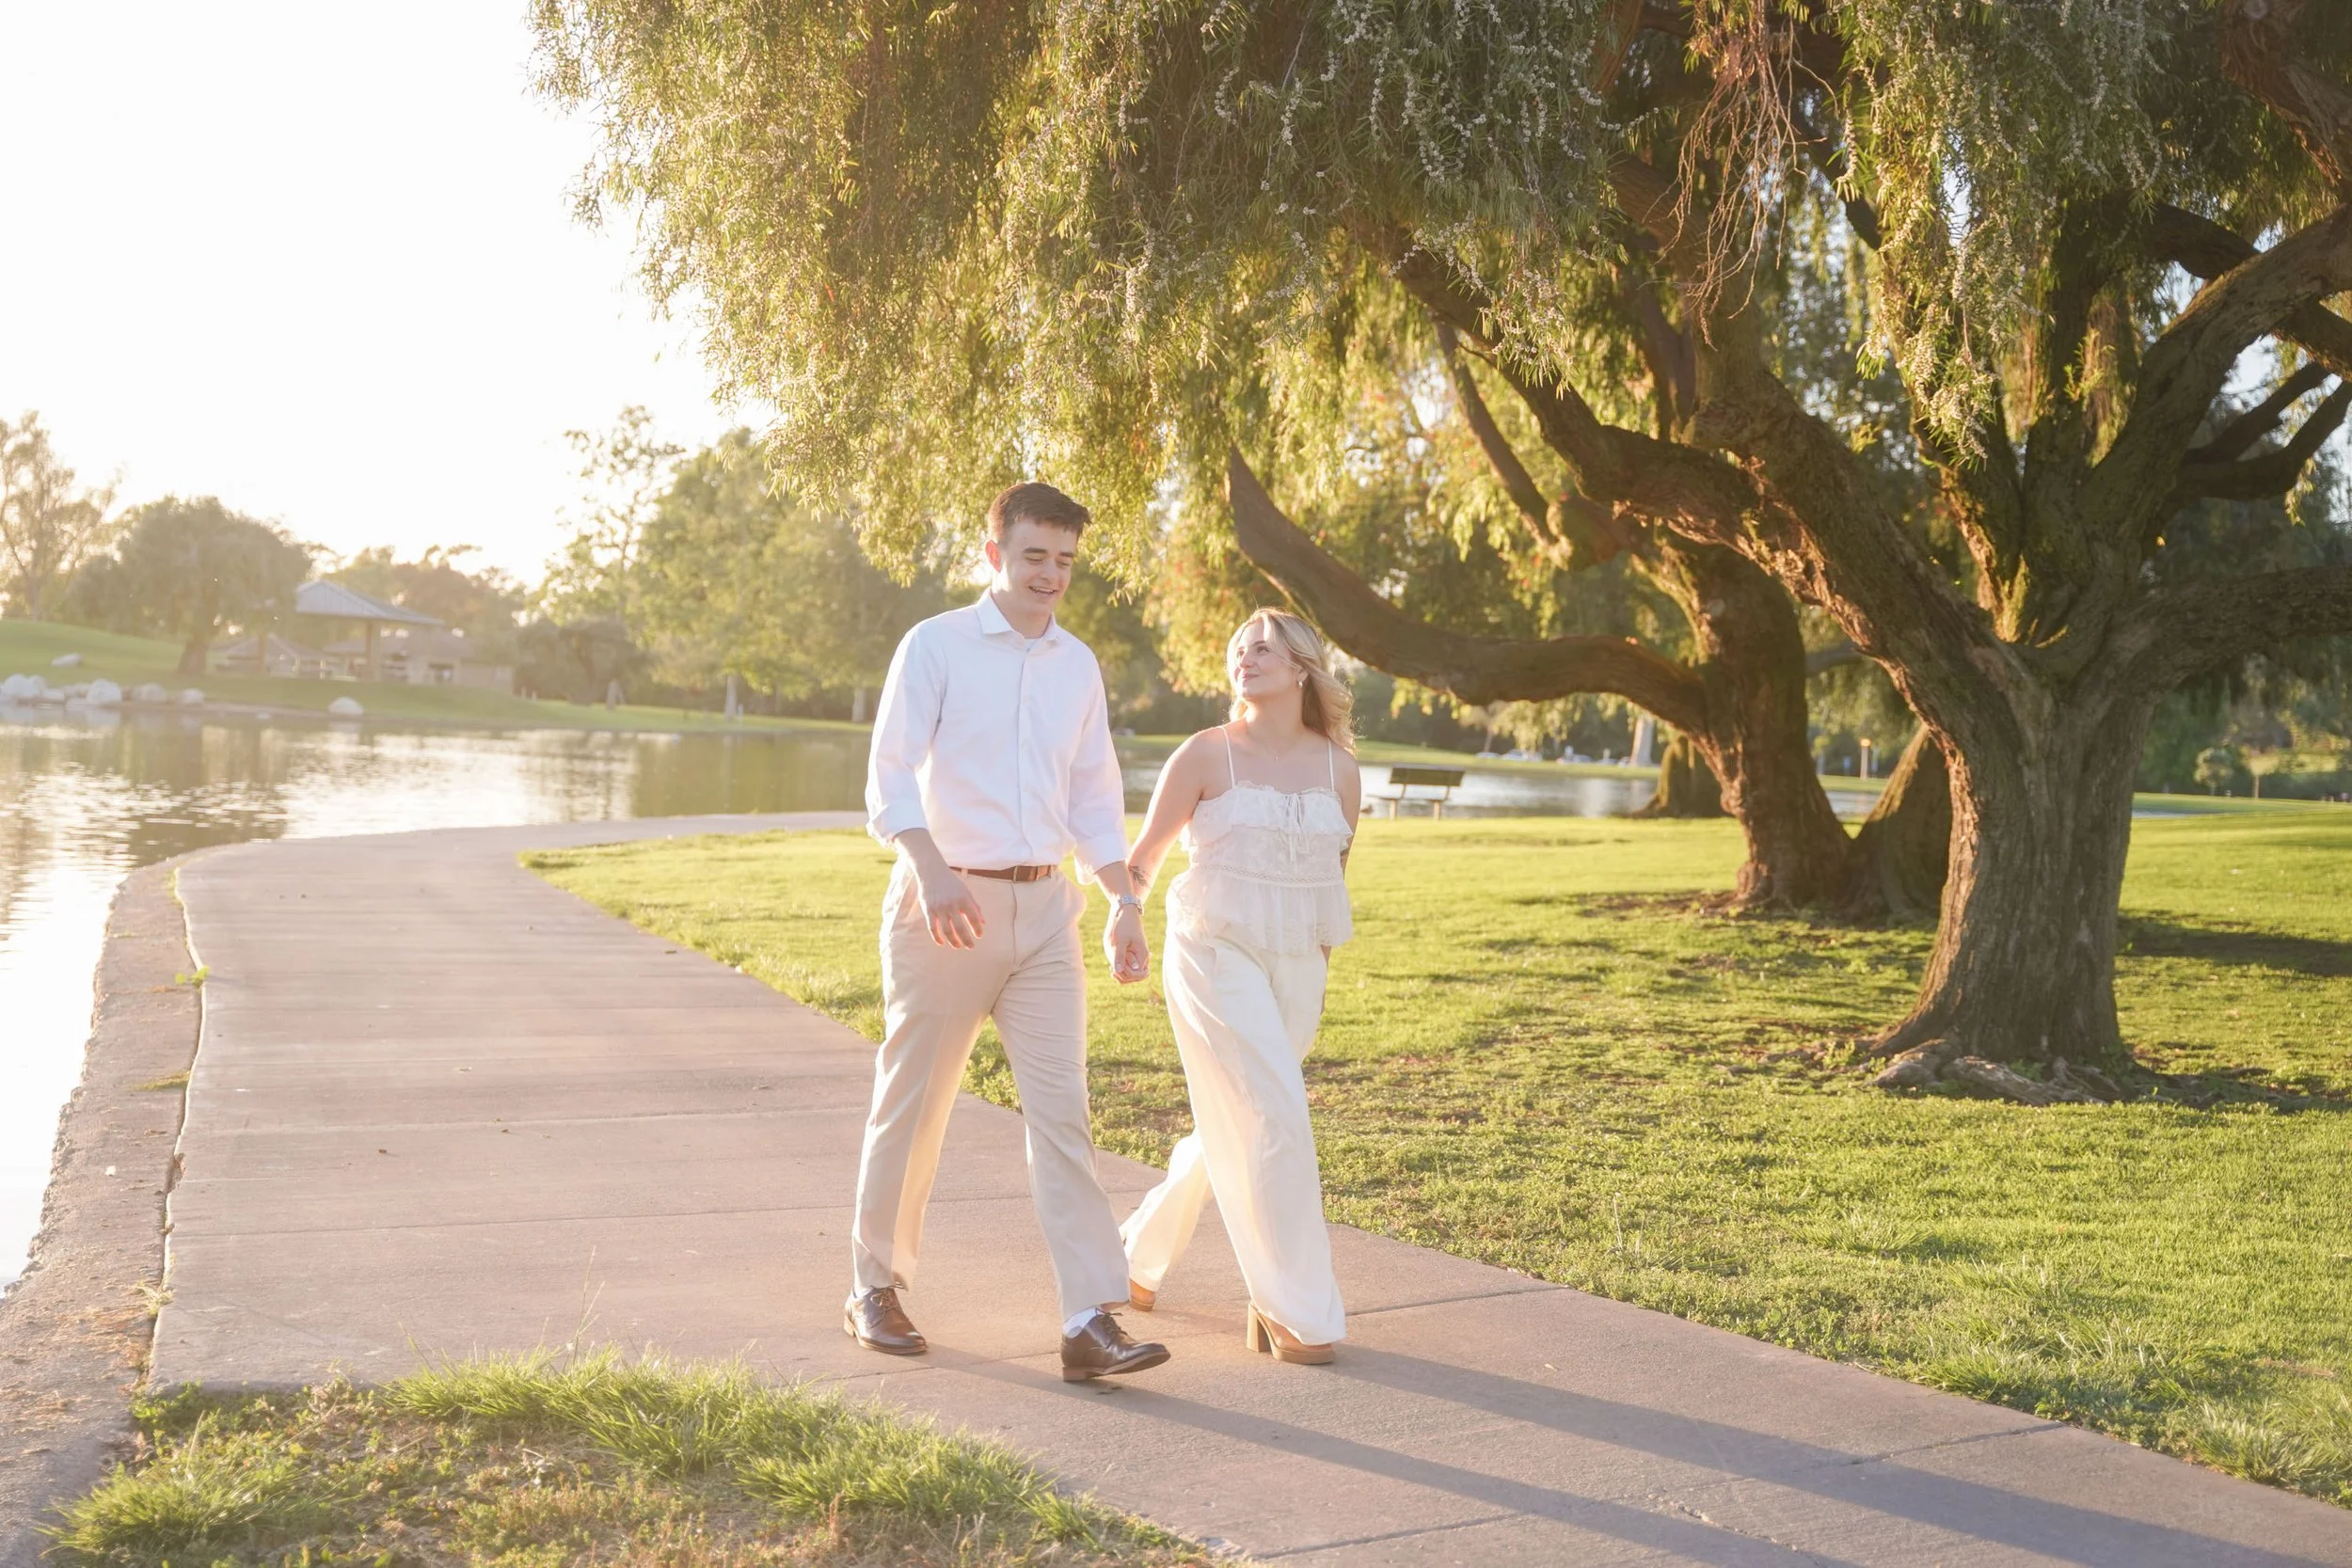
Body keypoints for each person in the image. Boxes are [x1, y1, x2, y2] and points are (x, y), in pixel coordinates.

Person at [849, 481, 1170, 1385]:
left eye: (1065, 560)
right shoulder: (936, 644)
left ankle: (1088, 1317)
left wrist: (1123, 899)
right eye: (1034, 555)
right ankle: (875, 1287)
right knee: (915, 1104)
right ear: (994, 554)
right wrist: (930, 868)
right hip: (946, 905)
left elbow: (1093, 796)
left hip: (1047, 913)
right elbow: (888, 776)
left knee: (1063, 1112)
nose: (1050, 575)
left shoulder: (1078, 664)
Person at [1119, 609, 1359, 1364]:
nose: (1244, 659)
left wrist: (1316, 972)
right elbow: (1143, 858)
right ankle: (1296, 1308)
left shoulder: (1340, 770)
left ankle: (1137, 1254)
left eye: (1262, 649)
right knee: (1279, 1118)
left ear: (1302, 669)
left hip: (1298, 967)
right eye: (1238, 650)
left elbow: (1330, 881)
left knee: (1244, 1116)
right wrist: (1124, 914)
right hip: (1212, 953)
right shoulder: (1205, 752)